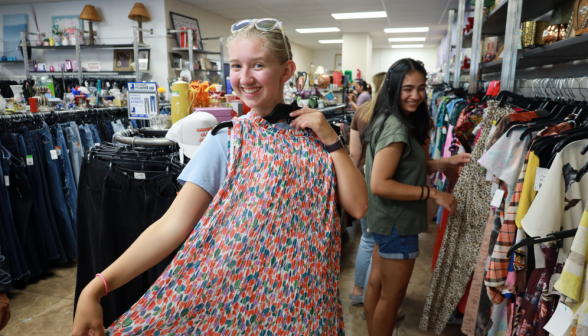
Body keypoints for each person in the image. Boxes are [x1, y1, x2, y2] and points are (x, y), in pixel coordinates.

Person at [72, 18, 368, 336]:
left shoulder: (316, 136)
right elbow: (172, 225)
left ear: (286, 70)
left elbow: (359, 207)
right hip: (248, 310)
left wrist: (331, 140)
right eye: (236, 66)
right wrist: (97, 287)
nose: (244, 78)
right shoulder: (227, 140)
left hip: (309, 306)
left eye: (258, 65)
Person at [362, 58, 470, 336]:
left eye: (421, 88)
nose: (416, 95)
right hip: (398, 222)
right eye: (407, 88)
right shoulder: (397, 128)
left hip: (386, 219)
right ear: (394, 89)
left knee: (377, 286)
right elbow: (380, 184)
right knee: (391, 296)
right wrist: (433, 193)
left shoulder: (391, 120)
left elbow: (407, 169)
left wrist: (446, 162)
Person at [349, 71, 386, 304]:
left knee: (367, 238)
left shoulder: (361, 112)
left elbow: (353, 154)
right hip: (385, 184)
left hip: (362, 179)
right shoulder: (394, 115)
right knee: (382, 244)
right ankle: (373, 298)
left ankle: (357, 291)